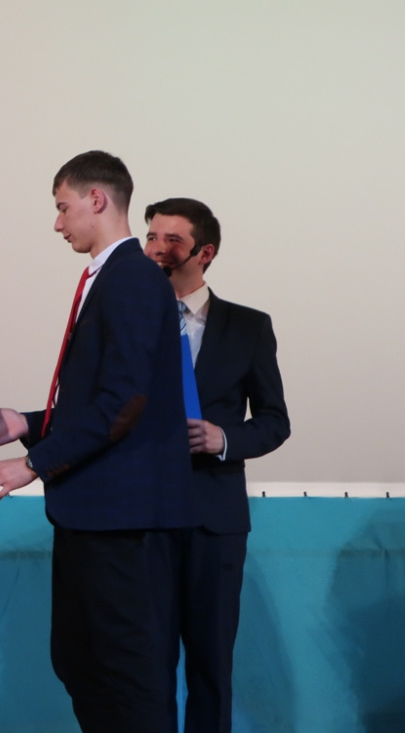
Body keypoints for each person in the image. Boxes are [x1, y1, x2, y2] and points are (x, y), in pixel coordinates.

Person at [0, 151, 196, 733]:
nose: (58, 223)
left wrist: (34, 463)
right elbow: (100, 401)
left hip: (121, 517)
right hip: (96, 513)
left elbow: (123, 404)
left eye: (62, 206)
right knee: (81, 660)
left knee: (124, 672)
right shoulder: (115, 277)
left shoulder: (132, 278)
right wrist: (24, 422)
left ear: (96, 200)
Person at [143, 197, 290, 733]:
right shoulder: (132, 321)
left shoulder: (249, 327)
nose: (157, 249)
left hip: (216, 520)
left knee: (210, 665)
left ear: (204, 253)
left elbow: (274, 421)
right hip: (145, 517)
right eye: (151, 237)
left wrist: (223, 438)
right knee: (148, 667)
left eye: (172, 240)